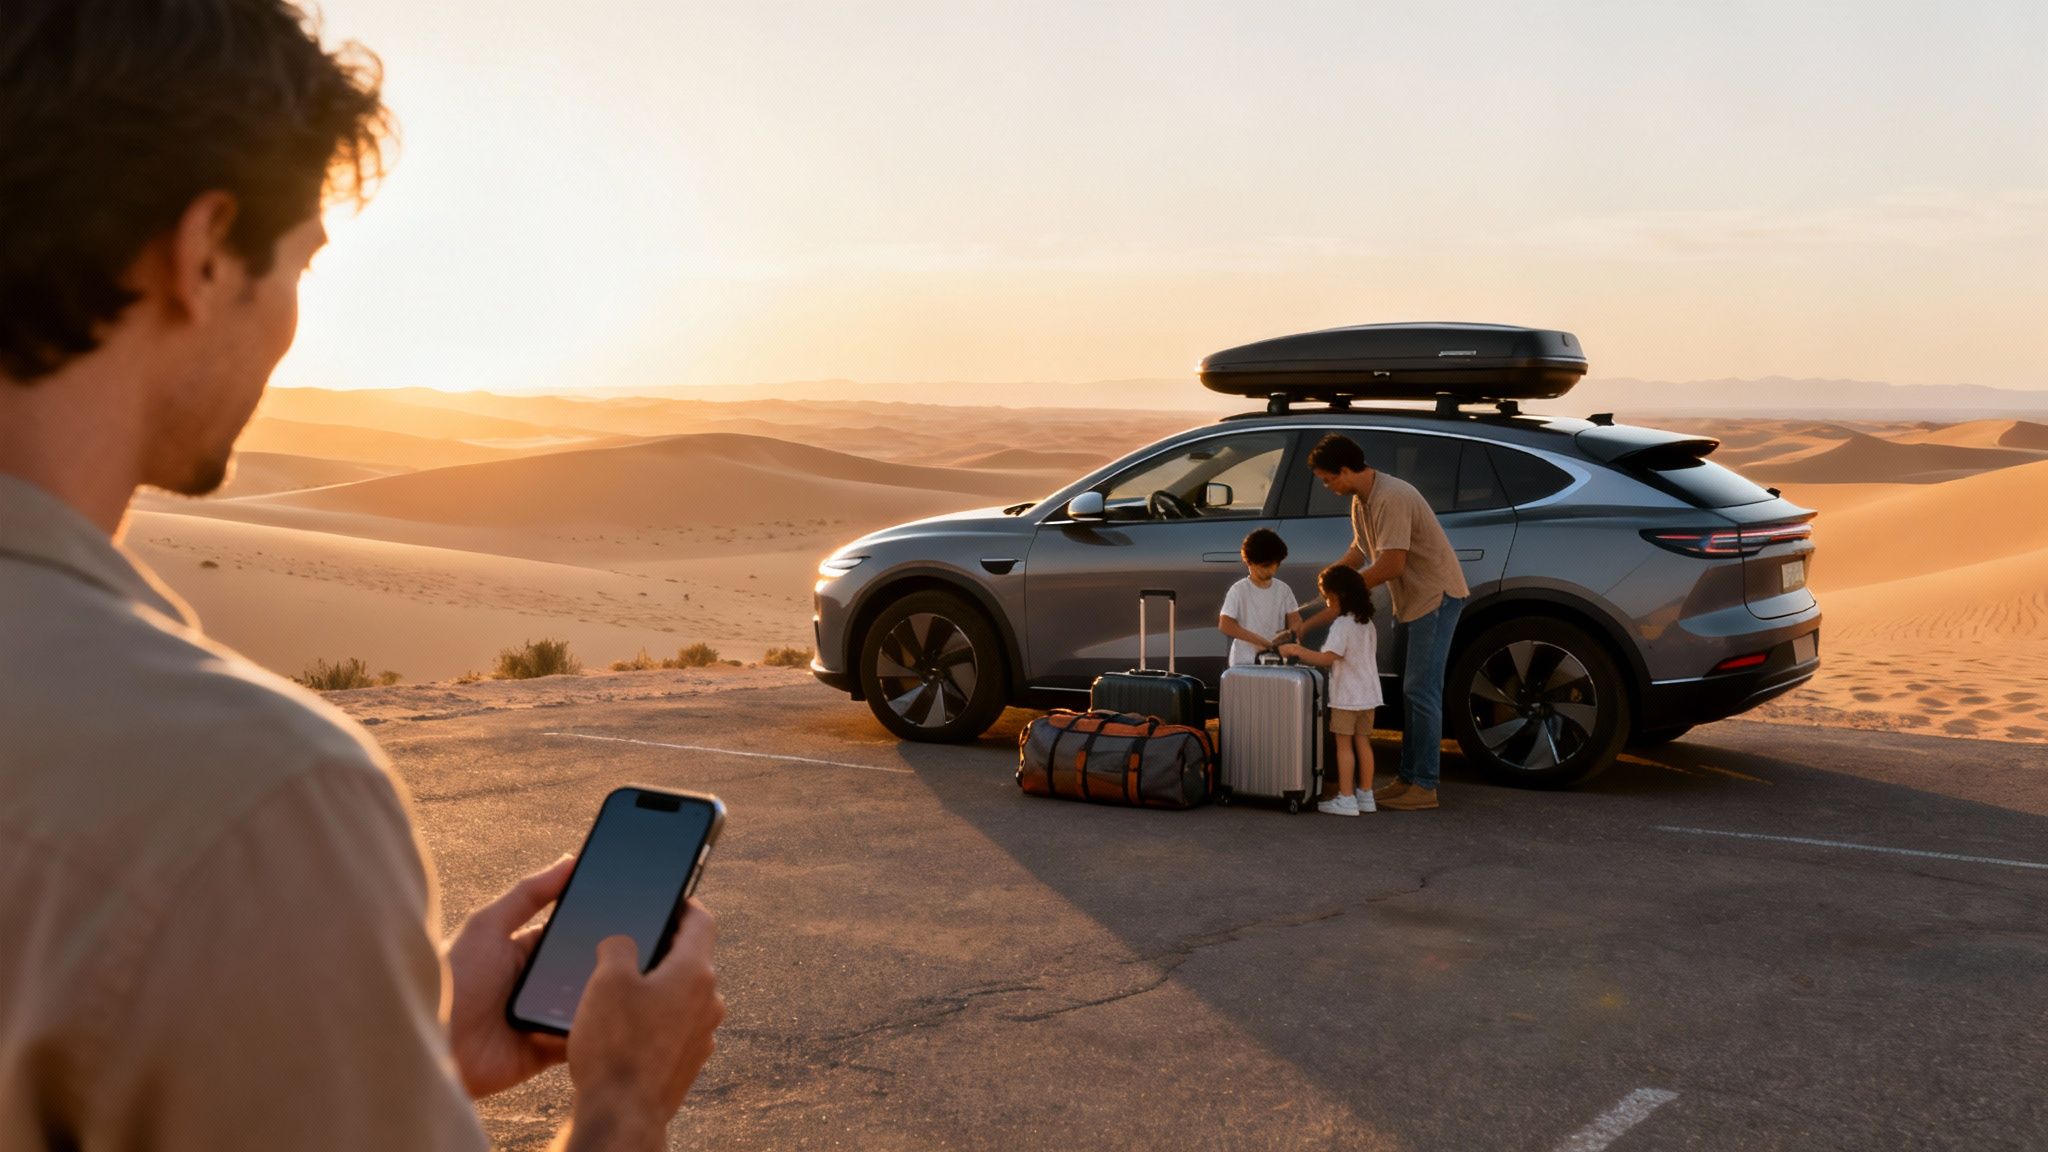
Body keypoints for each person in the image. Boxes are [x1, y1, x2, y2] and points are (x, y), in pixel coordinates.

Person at [0, 4, 722, 1150]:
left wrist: (383, 1049)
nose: (292, 320)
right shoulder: (249, 804)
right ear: (201, 251)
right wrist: (623, 1102)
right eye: (297, 265)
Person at [1297, 433, 1469, 811]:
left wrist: (1342, 592)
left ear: (1345, 470)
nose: (1328, 487)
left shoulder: (1393, 496)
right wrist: (1331, 576)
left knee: (1421, 691)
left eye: (1329, 479)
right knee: (1410, 690)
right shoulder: (1363, 500)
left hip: (1435, 597)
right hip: (1408, 602)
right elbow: (1361, 550)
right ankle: (1407, 778)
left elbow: (1392, 564)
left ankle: (1424, 785)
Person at [1279, 564, 1383, 816]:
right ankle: (1365, 795)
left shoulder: (1342, 626)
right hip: (1368, 695)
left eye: (1326, 597)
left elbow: (1328, 658)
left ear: (1335, 597)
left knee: (1343, 747)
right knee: (1364, 744)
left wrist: (1297, 651)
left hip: (1347, 697)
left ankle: (1346, 798)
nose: (1326, 602)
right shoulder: (1366, 623)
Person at [1217, 527, 1306, 666]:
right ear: (1249, 562)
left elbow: (1295, 620)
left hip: (1275, 662)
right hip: (1244, 662)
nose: (1272, 569)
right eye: (1266, 565)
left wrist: (1291, 634)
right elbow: (1225, 625)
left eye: (1277, 564)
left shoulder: (1283, 589)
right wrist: (1260, 641)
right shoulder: (1239, 590)